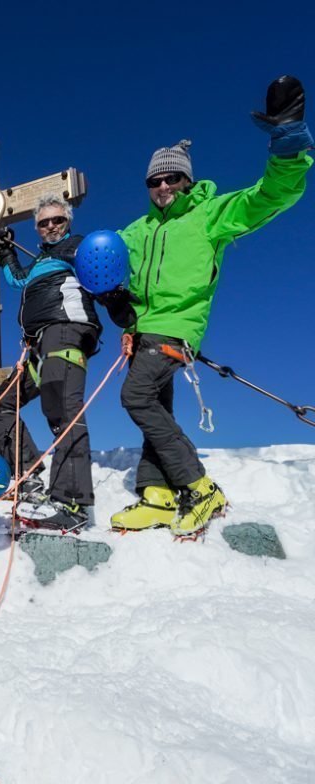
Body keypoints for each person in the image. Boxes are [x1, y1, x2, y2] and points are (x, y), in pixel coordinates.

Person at [111, 75, 312, 537]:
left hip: (177, 327)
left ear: (188, 179)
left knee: (136, 396)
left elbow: (271, 196)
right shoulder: (136, 230)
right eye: (154, 180)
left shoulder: (211, 214)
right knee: (155, 406)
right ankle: (157, 495)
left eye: (172, 177)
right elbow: (95, 257)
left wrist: (287, 141)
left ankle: (200, 487)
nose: (163, 185)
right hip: (143, 331)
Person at [0, 195, 103, 530]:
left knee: (63, 411)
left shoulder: (78, 248)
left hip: (65, 331)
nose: (51, 226)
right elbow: (18, 280)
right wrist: (7, 250)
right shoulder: (41, 260)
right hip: (39, 345)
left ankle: (73, 504)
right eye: (44, 222)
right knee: (0, 406)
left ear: (68, 223)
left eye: (58, 220)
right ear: (36, 228)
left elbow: (102, 269)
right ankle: (31, 475)